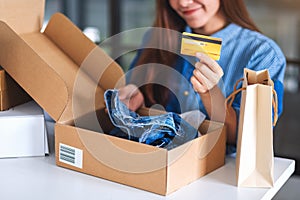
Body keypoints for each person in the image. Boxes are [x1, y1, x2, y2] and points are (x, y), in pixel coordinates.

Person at [118, 0, 286, 150]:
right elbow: (137, 100)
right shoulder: (158, 37)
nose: (183, 3)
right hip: (152, 160)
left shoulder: (264, 54)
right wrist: (134, 90)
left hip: (218, 174)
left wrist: (211, 93)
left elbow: (250, 138)